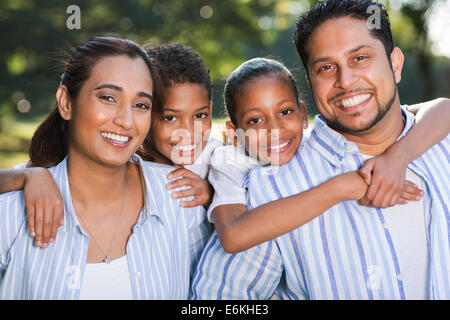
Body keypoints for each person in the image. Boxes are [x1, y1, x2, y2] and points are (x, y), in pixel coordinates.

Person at [191, 0, 450, 299]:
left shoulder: (440, 141)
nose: (346, 81)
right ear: (310, 82)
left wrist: (401, 155)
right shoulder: (269, 189)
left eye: (361, 58)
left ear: (395, 64)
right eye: (326, 67)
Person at [0, 36, 210, 299]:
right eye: (109, 98)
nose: (126, 121)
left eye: (141, 105)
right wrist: (26, 175)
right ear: (66, 102)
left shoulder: (180, 197)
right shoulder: (13, 214)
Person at [204, 57, 446, 254]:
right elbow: (234, 237)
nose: (274, 129)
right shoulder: (229, 164)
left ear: (301, 114)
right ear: (234, 134)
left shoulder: (317, 145)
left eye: (285, 112)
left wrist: (397, 157)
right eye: (255, 120)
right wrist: (344, 187)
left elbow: (443, 109)